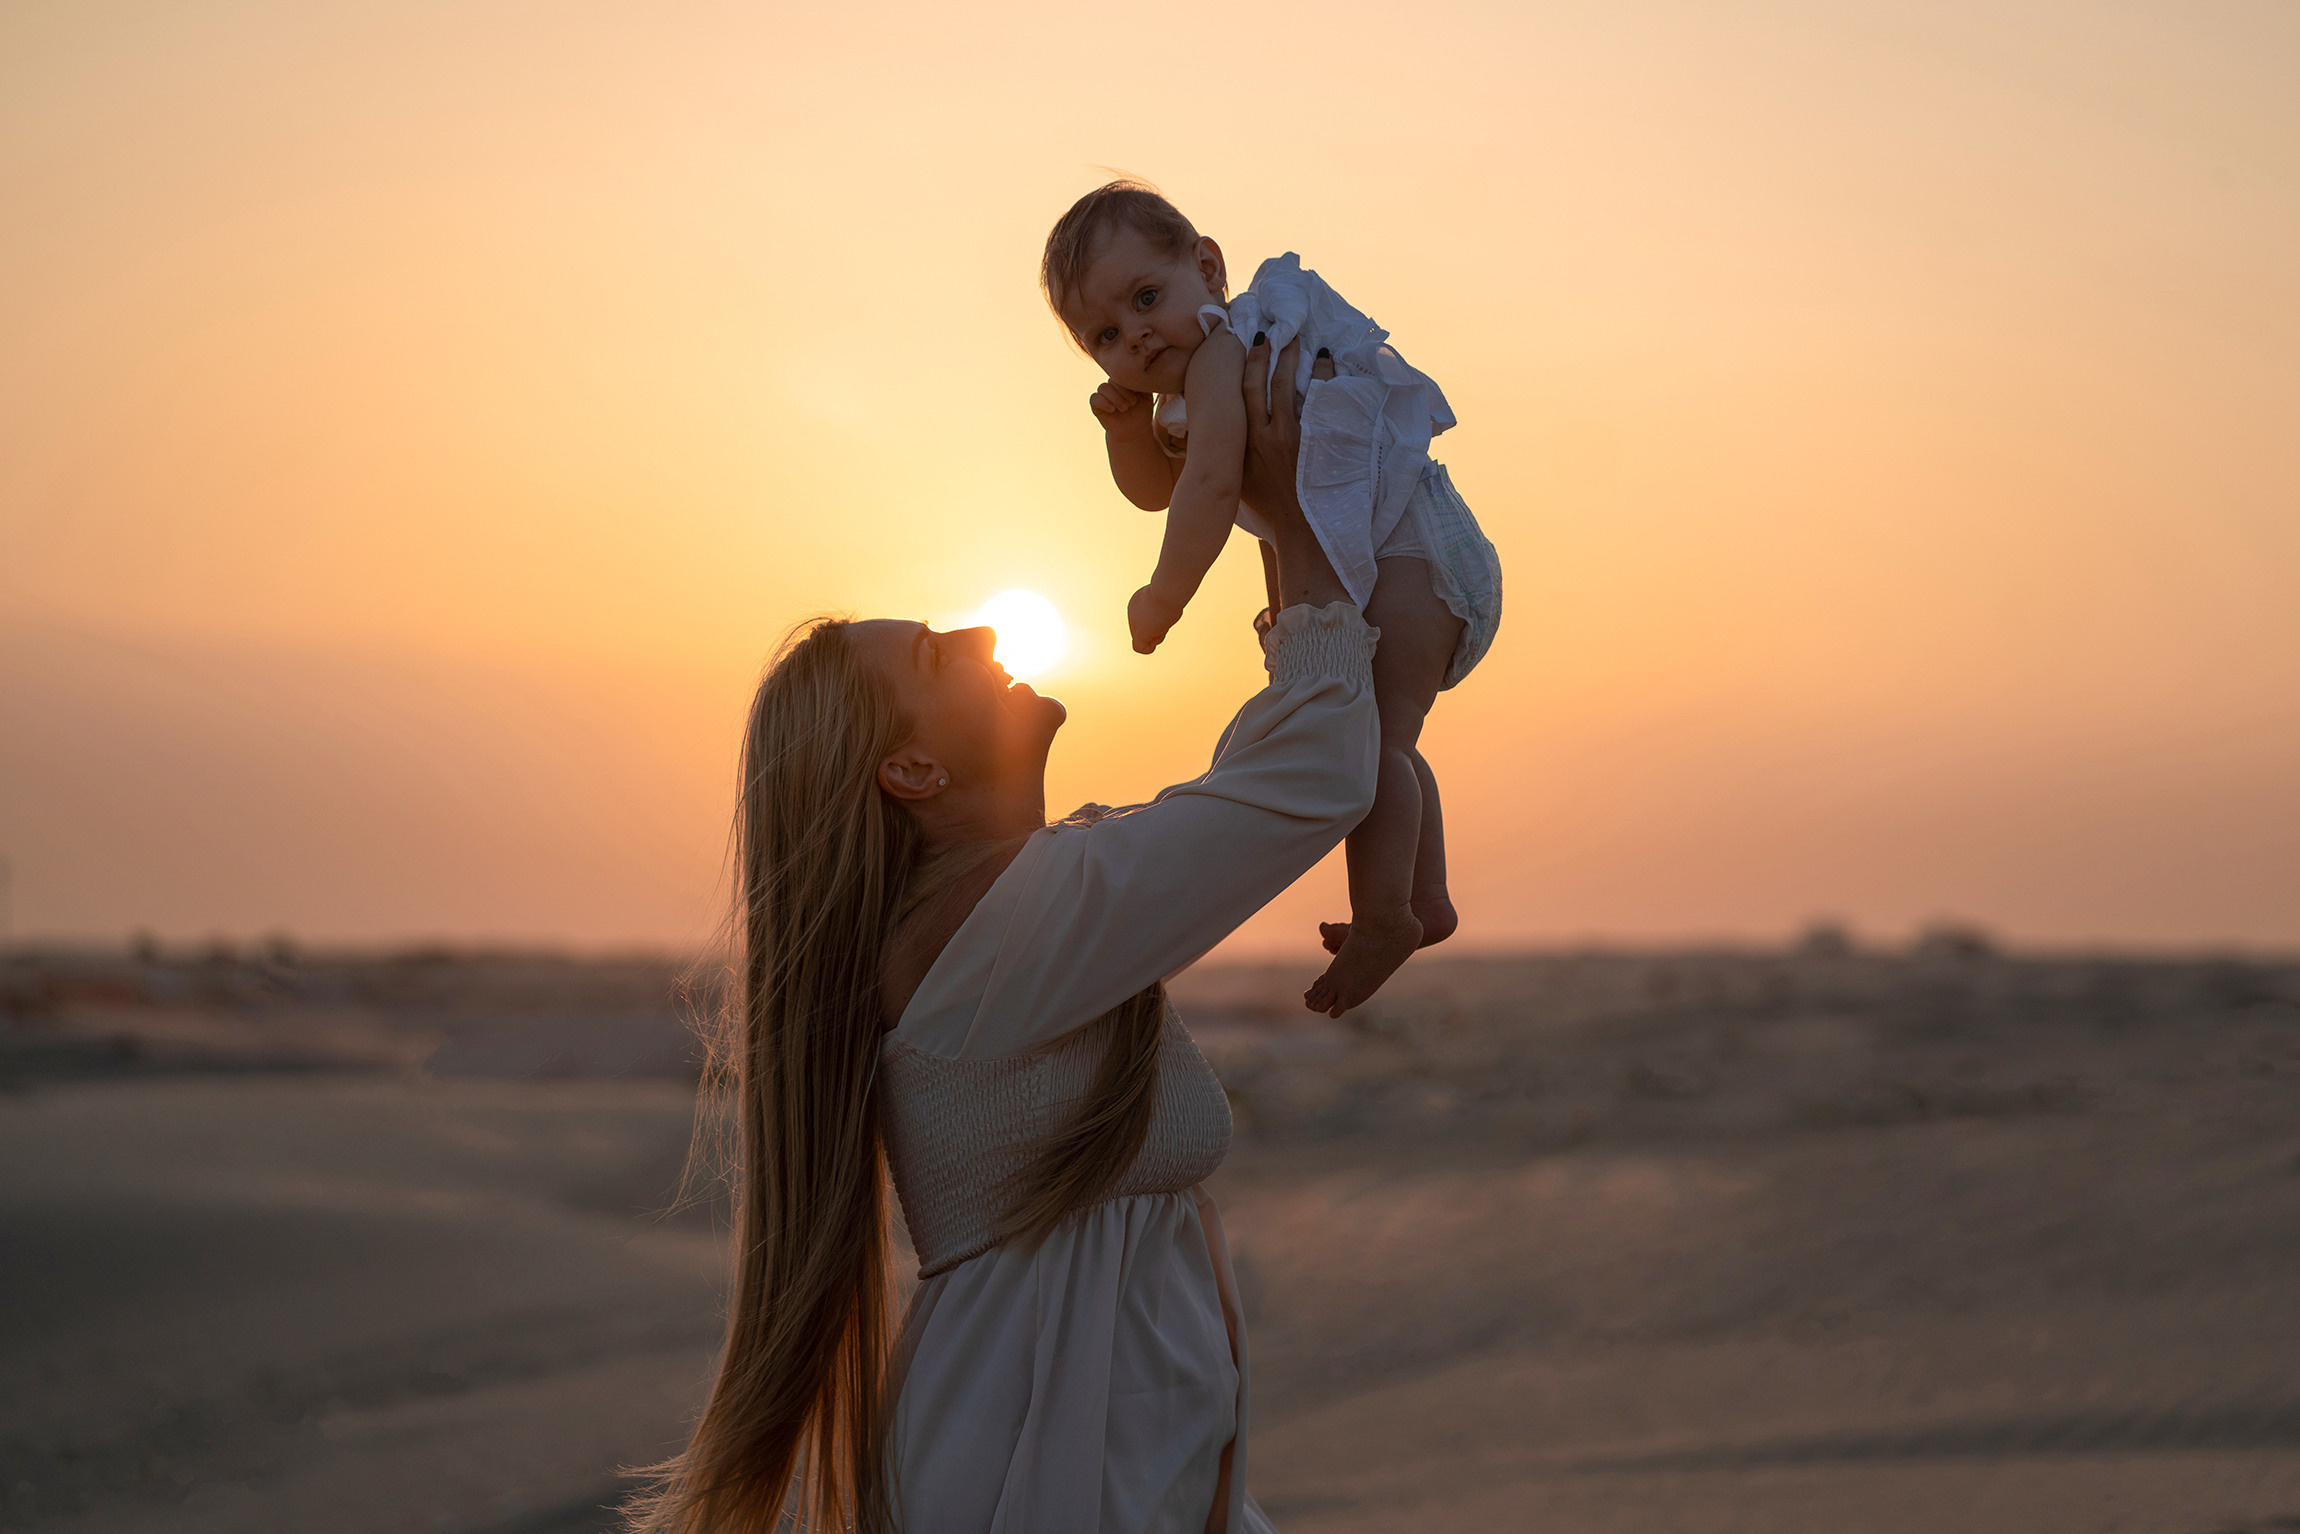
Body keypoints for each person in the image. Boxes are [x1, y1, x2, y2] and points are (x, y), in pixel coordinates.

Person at [628, 340, 1375, 1534]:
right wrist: (1293, 516)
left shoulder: (1005, 922)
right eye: (937, 656)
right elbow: (1310, 775)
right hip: (1039, 1478)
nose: (981, 636)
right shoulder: (995, 939)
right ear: (912, 769)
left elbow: (1270, 778)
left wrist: (1271, 526)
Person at [1041, 179, 1504, 1018]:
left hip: (1417, 554)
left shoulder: (1227, 355)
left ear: (1208, 270)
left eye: (1147, 298)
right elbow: (1157, 489)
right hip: (1411, 561)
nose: (1136, 337)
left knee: (1373, 748)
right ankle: (1427, 895)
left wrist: (1163, 596)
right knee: (1380, 733)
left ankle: (1386, 917)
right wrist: (1124, 435)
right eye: (1105, 334)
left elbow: (1210, 487)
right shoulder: (1187, 391)